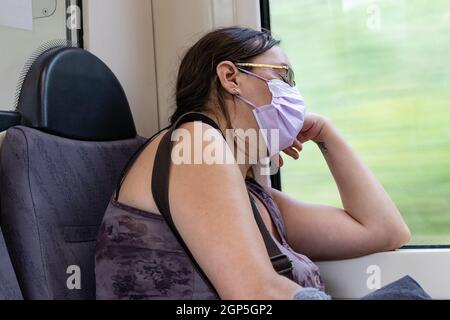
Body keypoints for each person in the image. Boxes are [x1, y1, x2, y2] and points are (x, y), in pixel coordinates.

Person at [95, 27, 411, 300]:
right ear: (231, 77)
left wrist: (325, 134)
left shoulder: (254, 195)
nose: (293, 93)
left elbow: (384, 231)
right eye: (283, 76)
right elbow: (255, 293)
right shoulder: (196, 142)